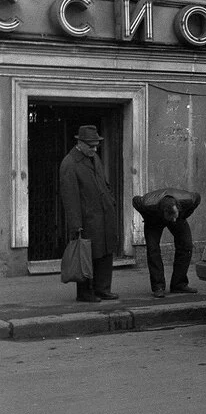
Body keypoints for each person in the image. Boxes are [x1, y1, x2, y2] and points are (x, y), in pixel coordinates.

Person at [59, 125, 119, 302]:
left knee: (105, 253)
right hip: (87, 219)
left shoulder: (95, 158)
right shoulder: (69, 163)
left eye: (96, 145)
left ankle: (103, 289)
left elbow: (104, 183)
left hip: (104, 215)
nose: (94, 149)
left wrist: (111, 201)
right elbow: (70, 198)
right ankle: (85, 292)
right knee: (87, 255)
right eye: (91, 145)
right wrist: (75, 225)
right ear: (80, 143)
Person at [133, 188, 201, 298]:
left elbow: (198, 197)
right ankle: (158, 286)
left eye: (174, 216)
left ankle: (179, 284)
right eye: (171, 218)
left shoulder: (187, 200)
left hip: (179, 214)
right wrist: (147, 217)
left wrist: (183, 215)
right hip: (153, 218)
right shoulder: (147, 204)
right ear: (164, 212)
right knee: (153, 250)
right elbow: (135, 200)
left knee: (186, 245)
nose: (173, 221)